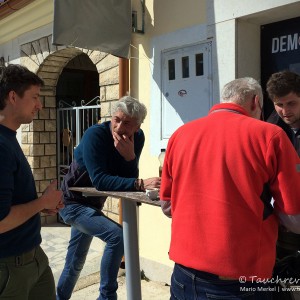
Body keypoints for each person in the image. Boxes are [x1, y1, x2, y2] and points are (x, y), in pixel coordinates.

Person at [160, 77, 300, 300]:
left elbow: (167, 206)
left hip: (183, 275)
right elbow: (294, 218)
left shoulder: (180, 135)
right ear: (255, 102)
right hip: (240, 280)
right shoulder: (270, 136)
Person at [56, 95, 161, 300]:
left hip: (92, 205)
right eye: (116, 119)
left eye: (127, 123)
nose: (119, 127)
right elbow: (101, 181)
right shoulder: (95, 135)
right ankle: (107, 297)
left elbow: (126, 180)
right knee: (117, 236)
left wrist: (130, 157)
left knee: (75, 262)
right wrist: (140, 183)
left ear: (138, 126)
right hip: (70, 202)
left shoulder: (137, 139)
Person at [0, 64, 64, 300]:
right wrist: (41, 203)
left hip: (33, 256)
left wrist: (41, 204)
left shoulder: (8, 139)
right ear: (13, 96)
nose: (40, 105)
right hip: (10, 268)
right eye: (35, 97)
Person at [266, 71, 300, 257]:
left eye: (291, 103)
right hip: (280, 224)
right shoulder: (269, 129)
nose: (285, 111)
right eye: (279, 105)